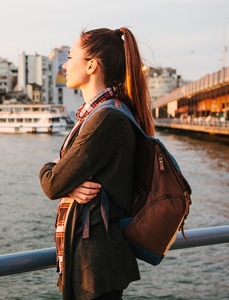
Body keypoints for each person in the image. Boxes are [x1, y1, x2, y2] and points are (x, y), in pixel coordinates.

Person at [39, 27, 155, 300]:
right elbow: (66, 180)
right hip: (95, 265)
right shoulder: (103, 113)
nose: (65, 65)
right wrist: (71, 184)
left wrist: (53, 169)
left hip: (96, 269)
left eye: (70, 57)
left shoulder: (105, 119)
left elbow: (52, 183)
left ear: (91, 65)